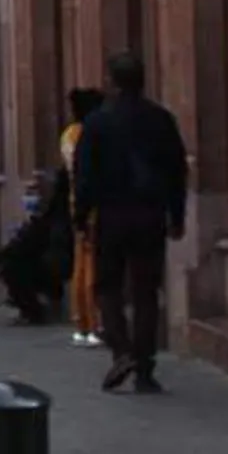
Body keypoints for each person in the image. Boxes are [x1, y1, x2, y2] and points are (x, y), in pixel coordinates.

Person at [74, 52, 187, 394]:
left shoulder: (97, 123)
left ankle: (121, 350)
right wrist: (176, 215)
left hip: (112, 215)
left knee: (107, 287)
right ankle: (144, 367)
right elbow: (176, 170)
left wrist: (81, 217)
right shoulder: (161, 120)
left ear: (112, 81)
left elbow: (85, 175)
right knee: (146, 292)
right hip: (150, 214)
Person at [59, 88, 106, 346]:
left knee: (81, 263)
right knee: (92, 265)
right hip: (93, 205)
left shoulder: (68, 134)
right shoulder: (86, 134)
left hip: (76, 202)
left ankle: (82, 319)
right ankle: (94, 319)